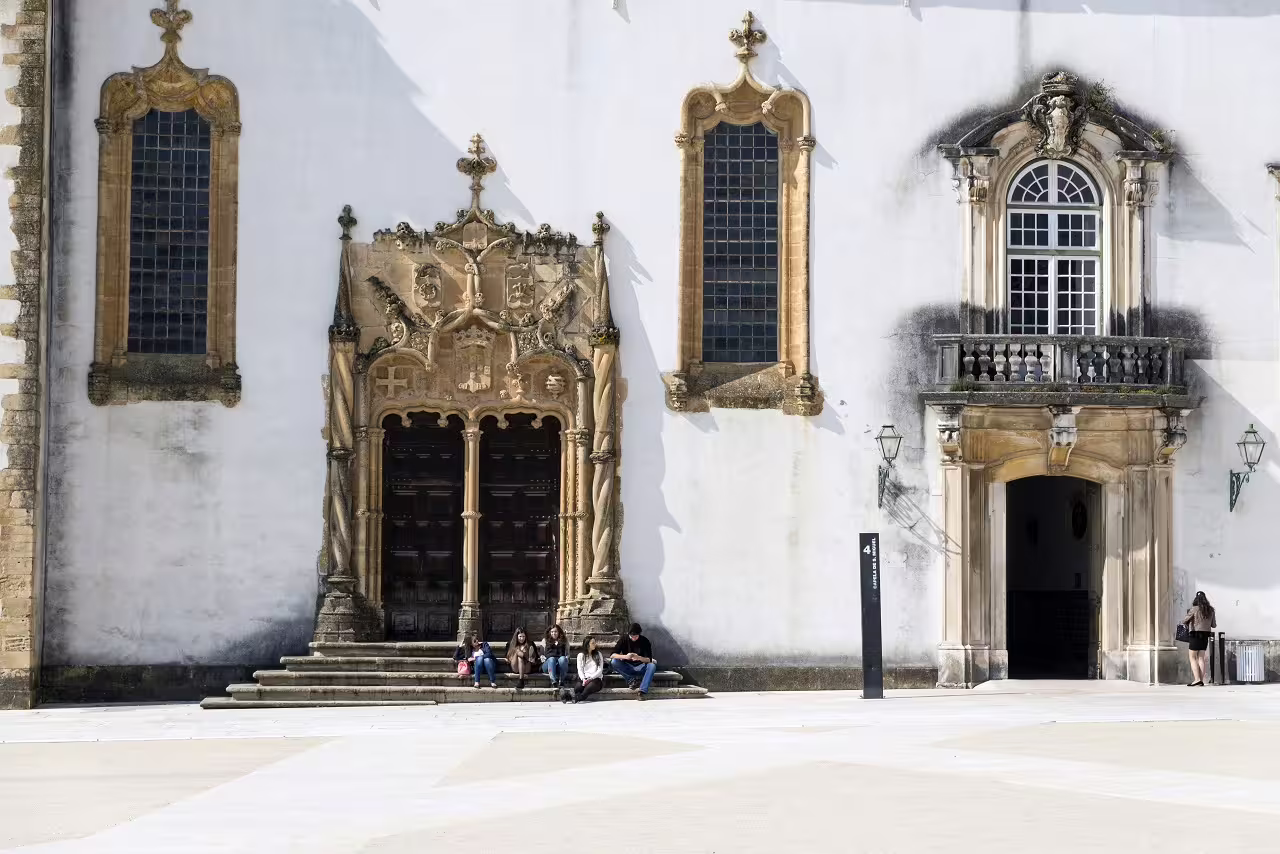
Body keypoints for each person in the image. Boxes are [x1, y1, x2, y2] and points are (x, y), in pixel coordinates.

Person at [610, 622, 657, 700]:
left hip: (641, 666)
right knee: (614, 662)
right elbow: (612, 655)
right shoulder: (624, 639)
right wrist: (625, 656)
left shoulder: (645, 641)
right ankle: (631, 680)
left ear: (639, 634)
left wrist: (639, 658)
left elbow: (649, 659)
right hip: (628, 666)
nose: (634, 638)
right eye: (632, 636)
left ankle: (642, 691)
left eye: (636, 636)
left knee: (652, 666)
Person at [1182, 591, 1217, 687]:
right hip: (1205, 635)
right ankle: (1201, 680)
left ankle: (1197, 679)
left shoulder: (1194, 609)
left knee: (1192, 657)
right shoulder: (1211, 610)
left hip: (1195, 634)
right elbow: (1214, 625)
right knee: (1201, 657)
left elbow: (1184, 620)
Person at [562, 635, 606, 704]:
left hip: (596, 679)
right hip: (584, 678)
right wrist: (584, 679)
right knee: (578, 688)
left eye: (595, 642)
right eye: (593, 643)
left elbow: (600, 670)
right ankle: (567, 697)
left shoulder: (598, 654)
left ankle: (575, 698)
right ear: (587, 644)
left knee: (588, 688)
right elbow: (580, 669)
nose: (595, 644)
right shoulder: (581, 655)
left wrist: (591, 678)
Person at [541, 624, 570, 688]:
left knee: (562, 658)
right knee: (552, 659)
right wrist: (542, 658)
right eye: (552, 632)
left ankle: (562, 681)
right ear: (549, 632)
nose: (554, 633)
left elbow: (567, 654)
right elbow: (542, 654)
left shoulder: (564, 641)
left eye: (555, 632)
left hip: (560, 665)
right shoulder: (545, 640)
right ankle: (553, 682)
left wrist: (566, 658)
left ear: (559, 632)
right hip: (548, 665)